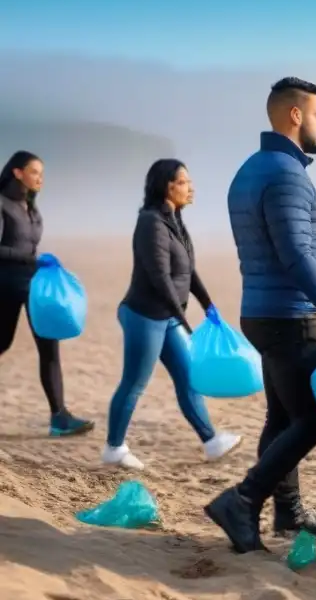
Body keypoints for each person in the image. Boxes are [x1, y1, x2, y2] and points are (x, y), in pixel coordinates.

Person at [205, 77, 316, 553]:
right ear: (295, 116)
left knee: (282, 417)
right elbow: (297, 255)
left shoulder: (251, 169)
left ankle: (287, 511)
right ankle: (244, 499)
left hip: (259, 309)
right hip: (288, 314)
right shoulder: (286, 175)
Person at [101, 159, 241, 469]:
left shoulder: (174, 221)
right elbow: (159, 276)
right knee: (134, 383)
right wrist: (183, 318)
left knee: (189, 377)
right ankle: (114, 448)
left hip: (167, 316)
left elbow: (187, 270)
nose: (192, 188)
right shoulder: (151, 222)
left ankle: (211, 441)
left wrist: (207, 304)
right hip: (144, 315)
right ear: (168, 186)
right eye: (185, 182)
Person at [0, 151, 93, 436]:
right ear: (17, 173)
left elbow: (27, 245)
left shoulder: (30, 206)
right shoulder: (2, 204)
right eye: (35, 172)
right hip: (5, 285)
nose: (40, 178)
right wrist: (32, 259)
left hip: (33, 286)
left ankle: (59, 417)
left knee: (49, 347)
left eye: (42, 173)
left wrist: (42, 260)